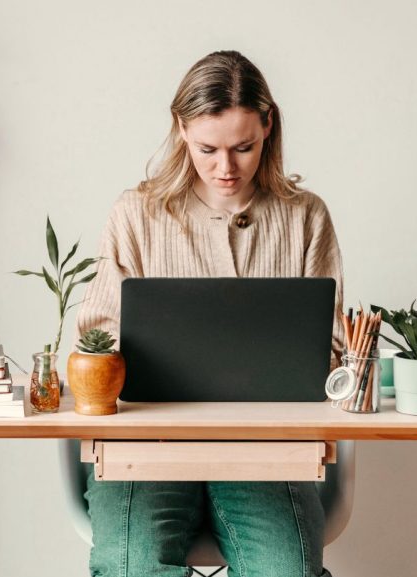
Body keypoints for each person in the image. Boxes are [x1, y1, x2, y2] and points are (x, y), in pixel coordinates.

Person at [75, 50, 345, 577]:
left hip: (267, 451)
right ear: (180, 129)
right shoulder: (136, 213)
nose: (227, 168)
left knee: (287, 572)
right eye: (208, 149)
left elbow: (332, 350)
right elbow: (98, 335)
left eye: (243, 147)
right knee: (129, 568)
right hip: (145, 447)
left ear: (268, 126)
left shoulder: (305, 216)